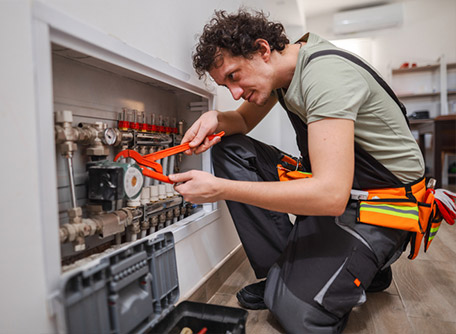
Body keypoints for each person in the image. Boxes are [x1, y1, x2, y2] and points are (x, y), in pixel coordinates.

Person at [168, 9, 425, 333]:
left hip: (382, 206)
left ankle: (368, 261)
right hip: (344, 189)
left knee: (300, 314)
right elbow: (244, 121)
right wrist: (217, 118)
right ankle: (283, 271)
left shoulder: (323, 74)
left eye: (234, 76)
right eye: (225, 84)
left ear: (263, 50)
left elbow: (330, 196)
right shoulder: (286, 69)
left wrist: (220, 188)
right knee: (230, 148)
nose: (233, 92)